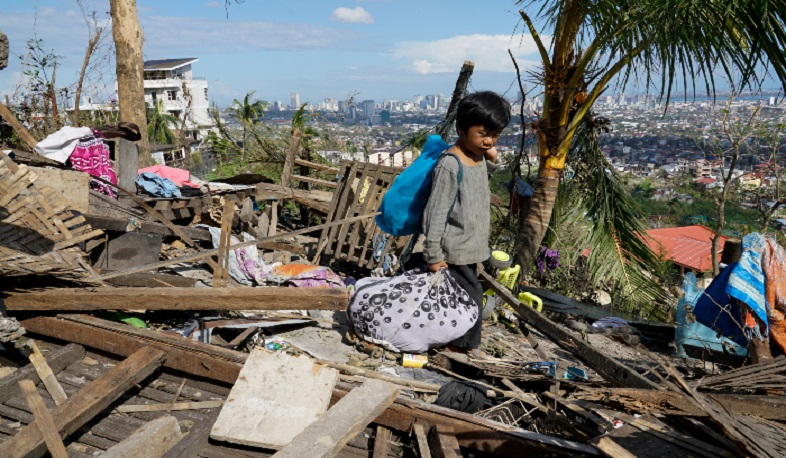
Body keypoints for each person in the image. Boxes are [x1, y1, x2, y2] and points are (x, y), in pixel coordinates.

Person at [421, 91, 511, 352]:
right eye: (483, 134)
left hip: (470, 247)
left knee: (457, 299)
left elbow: (477, 185)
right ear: (461, 128)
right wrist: (433, 255)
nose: (489, 141)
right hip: (453, 250)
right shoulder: (450, 164)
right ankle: (463, 347)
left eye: (494, 135)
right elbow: (435, 213)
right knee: (471, 297)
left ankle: (452, 342)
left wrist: (492, 161)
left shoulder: (478, 157)